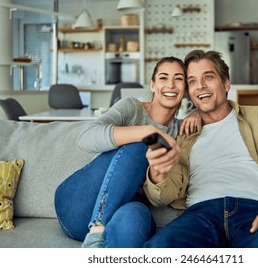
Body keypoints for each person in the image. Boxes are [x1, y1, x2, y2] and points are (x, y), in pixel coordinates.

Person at [142, 50, 258, 248]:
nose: (200, 86)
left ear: (226, 82)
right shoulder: (183, 135)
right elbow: (165, 195)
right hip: (201, 215)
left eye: (208, 77)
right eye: (192, 81)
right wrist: (158, 173)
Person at [54, 56, 199, 248]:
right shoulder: (132, 108)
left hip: (122, 213)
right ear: (153, 85)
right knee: (140, 146)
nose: (170, 85)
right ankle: (96, 233)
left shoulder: (180, 132)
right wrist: (147, 132)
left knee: (136, 214)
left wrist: (200, 112)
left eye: (178, 79)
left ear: (185, 89)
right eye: (163, 78)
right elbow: (86, 137)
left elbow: (160, 198)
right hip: (77, 205)